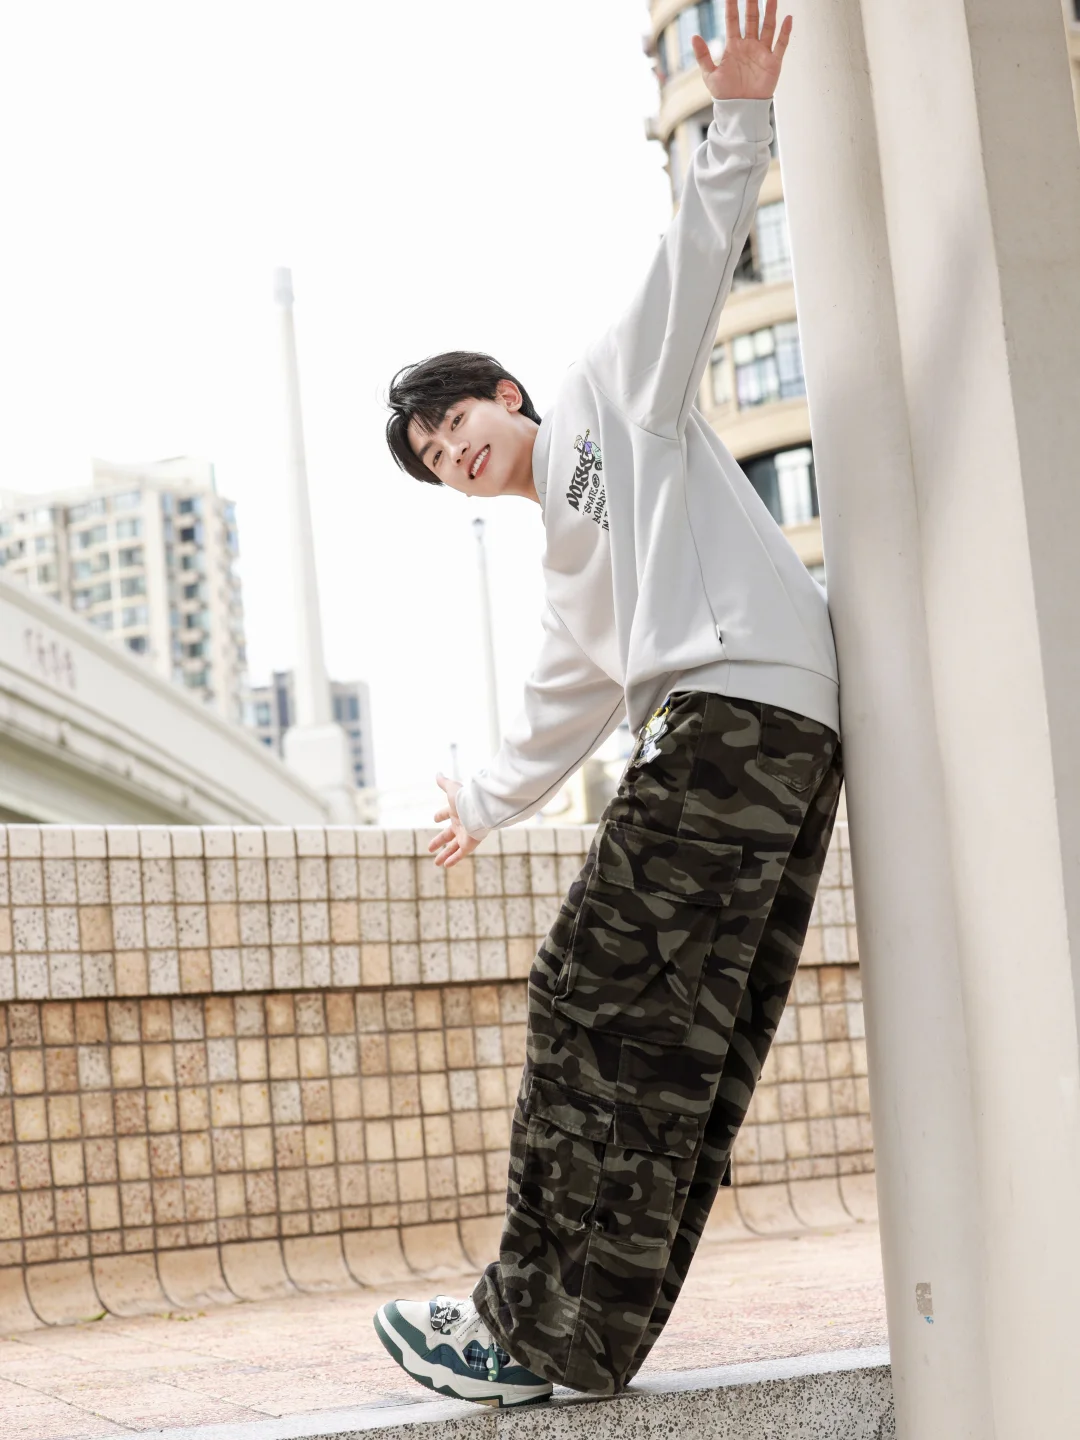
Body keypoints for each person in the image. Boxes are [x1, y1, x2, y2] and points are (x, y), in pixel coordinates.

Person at [373, 0, 841, 1409]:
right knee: (691, 1046)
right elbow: (560, 703)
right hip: (760, 737)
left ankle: (523, 1323)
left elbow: (690, 261)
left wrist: (737, 113)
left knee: (584, 992)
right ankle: (580, 1340)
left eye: (455, 424)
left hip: (733, 723)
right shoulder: (571, 565)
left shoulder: (600, 395)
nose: (453, 453)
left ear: (503, 394)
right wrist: (484, 800)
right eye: (432, 458)